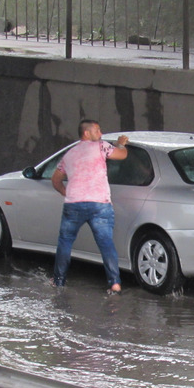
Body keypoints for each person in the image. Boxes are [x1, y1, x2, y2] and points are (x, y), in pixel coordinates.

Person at [51, 120, 130, 294]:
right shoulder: (102, 147)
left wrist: (67, 192)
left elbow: (55, 179)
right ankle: (115, 283)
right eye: (97, 130)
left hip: (73, 204)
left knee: (65, 243)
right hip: (99, 204)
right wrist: (121, 144)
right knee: (106, 243)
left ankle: (59, 281)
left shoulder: (69, 154)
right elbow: (121, 155)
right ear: (86, 133)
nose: (100, 134)